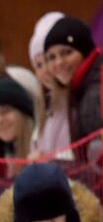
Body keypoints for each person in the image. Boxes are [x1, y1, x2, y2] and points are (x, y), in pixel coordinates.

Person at [42, 16, 102, 152]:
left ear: (85, 52)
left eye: (67, 53)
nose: (59, 62)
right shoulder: (81, 88)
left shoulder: (96, 90)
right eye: (51, 57)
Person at [30, 13, 73, 158]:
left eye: (50, 59)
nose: (46, 70)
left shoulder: (78, 102)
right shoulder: (44, 110)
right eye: (39, 65)